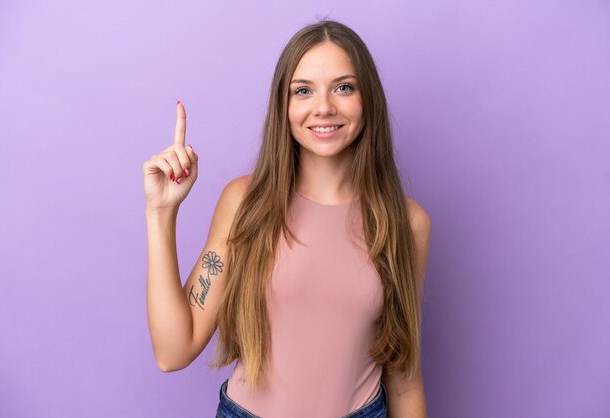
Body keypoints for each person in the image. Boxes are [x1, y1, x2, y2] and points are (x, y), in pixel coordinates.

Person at [143, 19, 431, 418]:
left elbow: (404, 380)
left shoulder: (407, 224)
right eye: (303, 91)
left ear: (368, 100)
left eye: (344, 87)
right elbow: (174, 351)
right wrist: (161, 213)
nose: (324, 107)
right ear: (285, 105)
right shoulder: (245, 202)